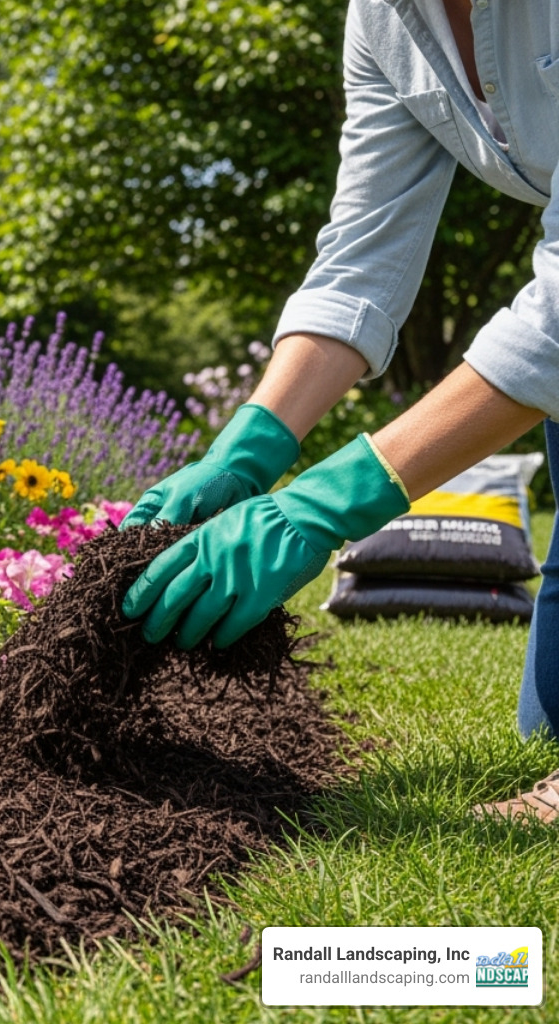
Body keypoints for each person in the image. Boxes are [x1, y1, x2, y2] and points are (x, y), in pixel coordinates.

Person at [118, 0, 559, 821]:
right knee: (553, 725)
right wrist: (248, 448)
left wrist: (328, 502)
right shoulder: (385, 19)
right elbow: (362, 257)